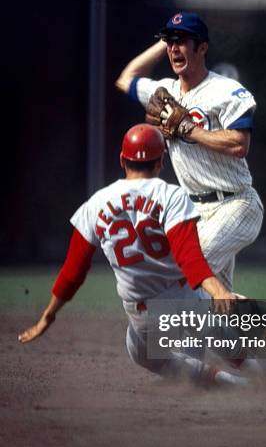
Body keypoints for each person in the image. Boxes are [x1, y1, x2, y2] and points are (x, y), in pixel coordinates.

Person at [18, 124, 248, 388]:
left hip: (143, 318)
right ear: (161, 162)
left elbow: (73, 271)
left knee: (139, 351)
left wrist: (48, 315)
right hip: (183, 303)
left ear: (121, 160)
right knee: (224, 329)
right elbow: (190, 258)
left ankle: (235, 381)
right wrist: (218, 290)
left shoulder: (96, 203)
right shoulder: (170, 195)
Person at [115, 11, 264, 291]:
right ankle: (262, 320)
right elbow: (126, 79)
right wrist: (164, 41)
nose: (174, 48)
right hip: (194, 211)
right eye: (171, 41)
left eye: (182, 41)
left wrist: (188, 129)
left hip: (236, 203)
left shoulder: (225, 90)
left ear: (203, 47)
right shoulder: (165, 91)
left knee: (183, 273)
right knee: (211, 303)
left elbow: (239, 144)